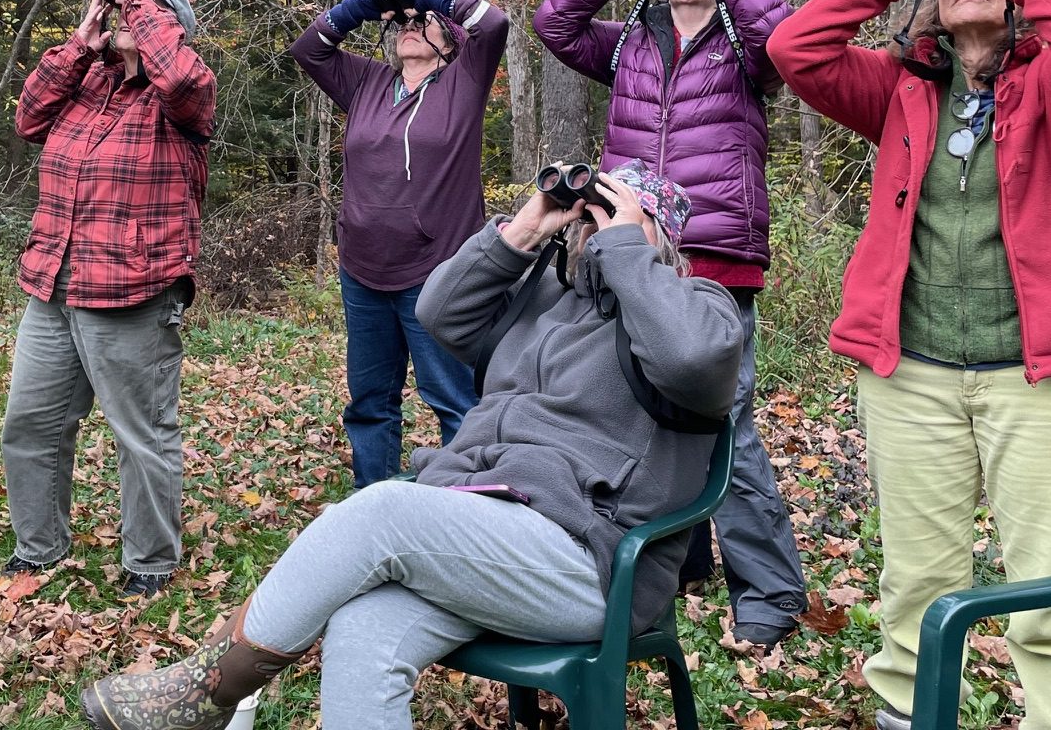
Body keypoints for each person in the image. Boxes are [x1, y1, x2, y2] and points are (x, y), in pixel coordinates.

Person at [75, 162, 741, 730]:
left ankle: (207, 693)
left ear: (659, 238)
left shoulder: (699, 307)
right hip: (489, 530)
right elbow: (439, 313)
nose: (596, 230)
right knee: (364, 626)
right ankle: (211, 692)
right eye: (592, 217)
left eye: (617, 218)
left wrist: (628, 248)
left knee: (382, 511)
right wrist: (524, 230)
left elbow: (692, 362)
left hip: (589, 559)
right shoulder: (547, 297)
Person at [768, 0, 1051, 730]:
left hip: (1042, 379)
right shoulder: (899, 87)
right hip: (910, 375)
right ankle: (912, 717)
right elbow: (794, 49)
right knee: (917, 582)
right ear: (929, 1)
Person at [532, 0, 808, 645]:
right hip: (631, 252)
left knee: (725, 424)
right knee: (634, 410)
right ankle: (680, 562)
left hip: (716, 256)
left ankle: (770, 593)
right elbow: (553, 23)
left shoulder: (745, 47)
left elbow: (788, 38)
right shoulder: (629, 41)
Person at [2, 0, 215, 597]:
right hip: (53, 282)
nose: (123, 15)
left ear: (166, 26)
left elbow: (180, 74)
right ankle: (39, 548)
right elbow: (28, 119)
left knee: (140, 434)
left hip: (133, 289)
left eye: (135, 11)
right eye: (120, 8)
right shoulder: (88, 82)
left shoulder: (183, 99)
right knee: (31, 426)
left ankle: (149, 561)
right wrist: (81, 40)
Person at [289, 0, 508, 488]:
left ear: (451, 40)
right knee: (370, 402)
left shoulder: (463, 81)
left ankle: (461, 505)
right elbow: (309, 49)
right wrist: (362, 4)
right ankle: (376, 501)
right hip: (362, 268)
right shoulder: (366, 82)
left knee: (453, 400)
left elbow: (494, 24)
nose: (410, 26)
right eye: (404, 22)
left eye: (424, 22)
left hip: (437, 273)